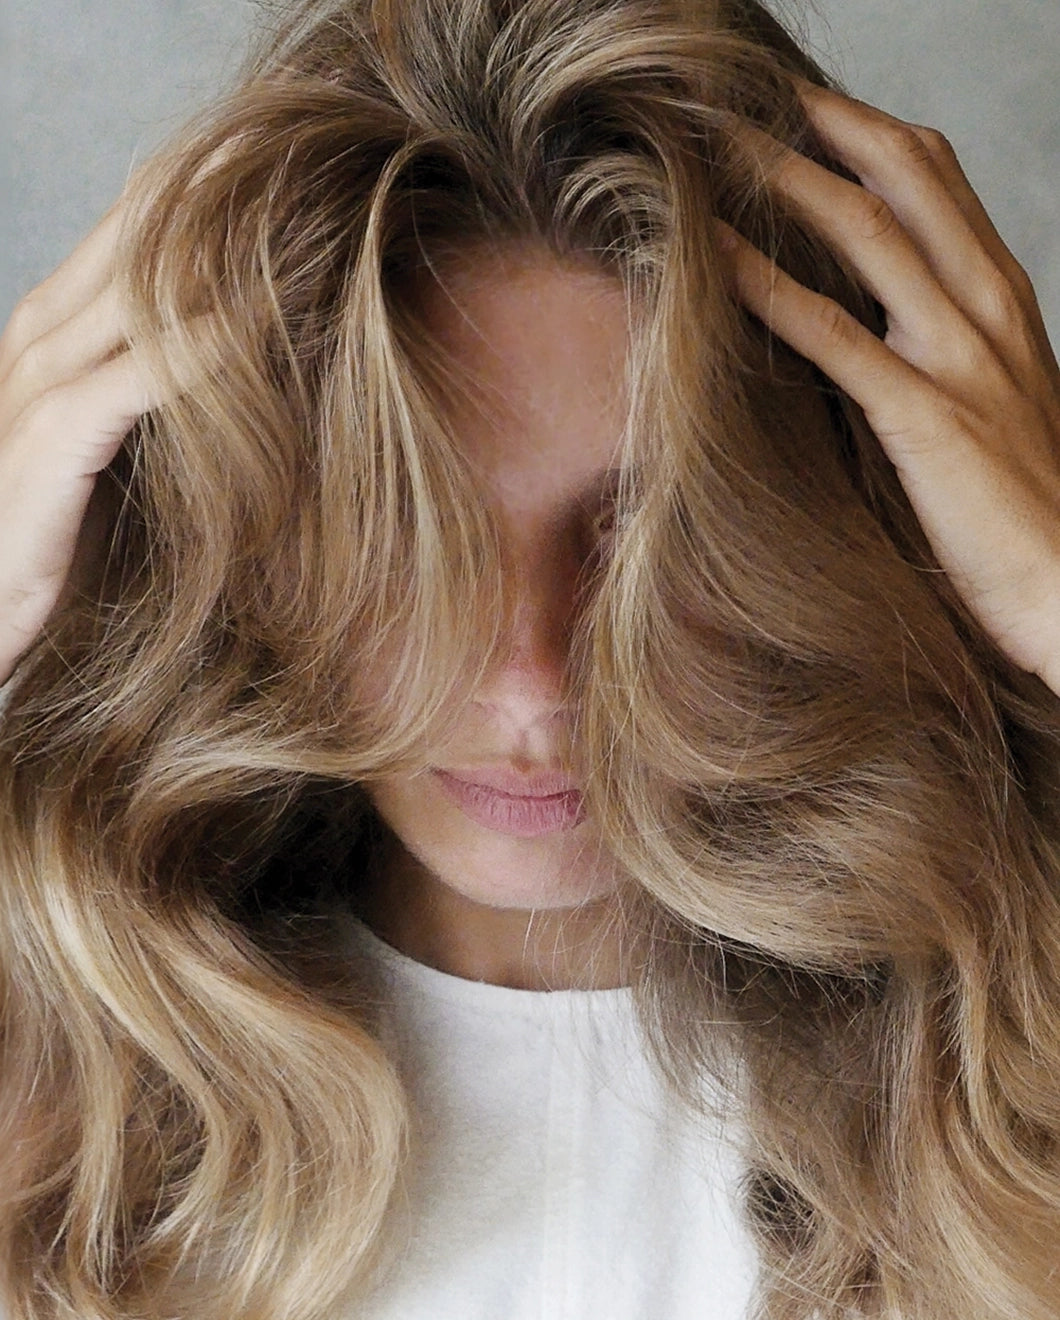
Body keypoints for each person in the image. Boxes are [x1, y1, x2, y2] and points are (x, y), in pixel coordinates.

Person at [2, 0, 1059, 1316]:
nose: (532, 686)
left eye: (660, 540)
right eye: (410, 534)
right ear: (254, 545)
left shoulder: (1015, 1052)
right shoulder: (62, 1058)